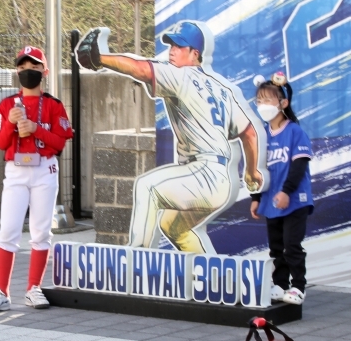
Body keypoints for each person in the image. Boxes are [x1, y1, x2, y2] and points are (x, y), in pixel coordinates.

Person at [75, 22, 266, 253]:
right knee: (174, 228)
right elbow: (249, 133)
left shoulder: (180, 75)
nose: (172, 50)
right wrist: (252, 171)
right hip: (218, 182)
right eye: (171, 44)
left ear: (195, 54)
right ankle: (206, 277)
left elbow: (140, 69)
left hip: (203, 174)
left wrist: (100, 59)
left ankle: (136, 261)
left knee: (148, 186)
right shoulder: (220, 90)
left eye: (179, 45)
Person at [0, 46, 74, 314]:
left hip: (45, 168)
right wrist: (10, 123)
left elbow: (61, 142)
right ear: (16, 71)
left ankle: (34, 288)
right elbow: (0, 142)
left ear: (45, 71)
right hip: (16, 170)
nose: (27, 72)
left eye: (33, 67)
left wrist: (36, 128)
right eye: (22, 68)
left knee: (41, 230)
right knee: (8, 229)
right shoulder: (7, 104)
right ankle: (1, 292)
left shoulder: (54, 105)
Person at [250, 74, 313, 305]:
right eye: (259, 101)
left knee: (291, 245)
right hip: (270, 200)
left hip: (295, 200)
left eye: (269, 100)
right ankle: (280, 284)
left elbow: (299, 165)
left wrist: (287, 191)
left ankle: (298, 287)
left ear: (283, 103)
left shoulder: (294, 131)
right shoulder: (262, 135)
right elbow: (257, 169)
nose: (263, 106)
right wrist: (256, 197)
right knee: (276, 247)